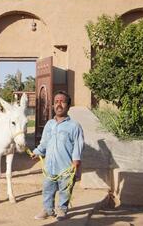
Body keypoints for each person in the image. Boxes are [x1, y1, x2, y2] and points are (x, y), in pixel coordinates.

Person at [31, 91, 84, 221]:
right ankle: (48, 210)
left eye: (62, 101)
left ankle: (62, 210)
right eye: (56, 102)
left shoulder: (74, 126)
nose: (58, 104)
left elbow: (78, 145)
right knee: (48, 189)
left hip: (66, 166)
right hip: (50, 166)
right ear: (53, 105)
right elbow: (44, 142)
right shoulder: (49, 124)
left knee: (65, 190)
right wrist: (37, 152)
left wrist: (76, 161)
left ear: (68, 105)